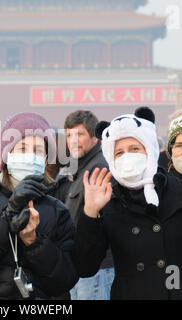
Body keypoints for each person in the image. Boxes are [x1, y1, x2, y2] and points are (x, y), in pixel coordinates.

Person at [73, 107, 182, 299]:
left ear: (149, 150)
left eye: (135, 148)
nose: (127, 156)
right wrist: (90, 213)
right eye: (119, 152)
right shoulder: (109, 201)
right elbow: (85, 267)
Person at [0, 112, 78, 299]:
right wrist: (8, 215)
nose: (30, 156)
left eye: (38, 150)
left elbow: (65, 279)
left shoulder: (57, 210)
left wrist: (34, 242)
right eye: (22, 148)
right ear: (7, 154)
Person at [58, 110, 114, 300]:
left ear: (95, 138)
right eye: (69, 135)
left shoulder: (99, 168)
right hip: (81, 266)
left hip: (97, 269)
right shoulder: (80, 168)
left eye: (80, 134)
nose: (73, 140)